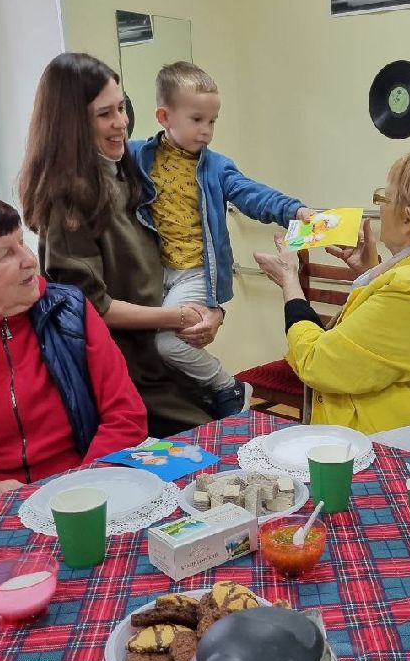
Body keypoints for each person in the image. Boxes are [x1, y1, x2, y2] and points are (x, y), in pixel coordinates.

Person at [253, 149, 410, 473]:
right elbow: (396, 340)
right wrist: (371, 270)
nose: (379, 206)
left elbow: (318, 362)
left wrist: (290, 282)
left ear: (407, 219)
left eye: (384, 197)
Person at [0, 191, 147, 518]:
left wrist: (78, 485)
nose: (29, 260)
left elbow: (126, 414)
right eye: (5, 253)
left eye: (22, 242)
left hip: (87, 484)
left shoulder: (70, 310)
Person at [20, 52, 213, 437]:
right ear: (72, 124)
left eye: (122, 108)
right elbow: (92, 309)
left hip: (162, 360)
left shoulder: (126, 172)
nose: (121, 123)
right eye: (105, 114)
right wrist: (178, 318)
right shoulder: (69, 201)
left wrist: (207, 313)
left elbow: (172, 259)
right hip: (126, 378)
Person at [125, 61, 312, 419]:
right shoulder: (137, 156)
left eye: (212, 121)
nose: (207, 131)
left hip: (194, 272)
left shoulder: (216, 167)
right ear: (165, 116)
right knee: (145, 349)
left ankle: (228, 386)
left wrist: (295, 210)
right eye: (197, 120)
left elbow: (253, 194)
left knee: (167, 343)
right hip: (154, 273)